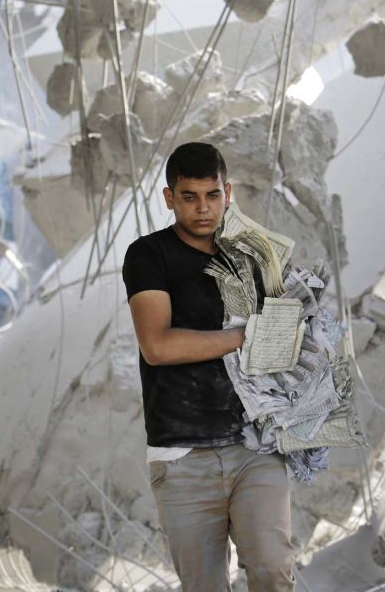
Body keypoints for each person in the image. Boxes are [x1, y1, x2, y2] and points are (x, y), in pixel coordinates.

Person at [121, 142, 295, 591]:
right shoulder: (149, 256)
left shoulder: (255, 257)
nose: (203, 209)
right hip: (182, 456)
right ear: (169, 198)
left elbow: (283, 343)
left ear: (228, 192)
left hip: (255, 446)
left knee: (274, 570)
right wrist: (244, 338)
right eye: (189, 197)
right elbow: (157, 345)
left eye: (212, 195)